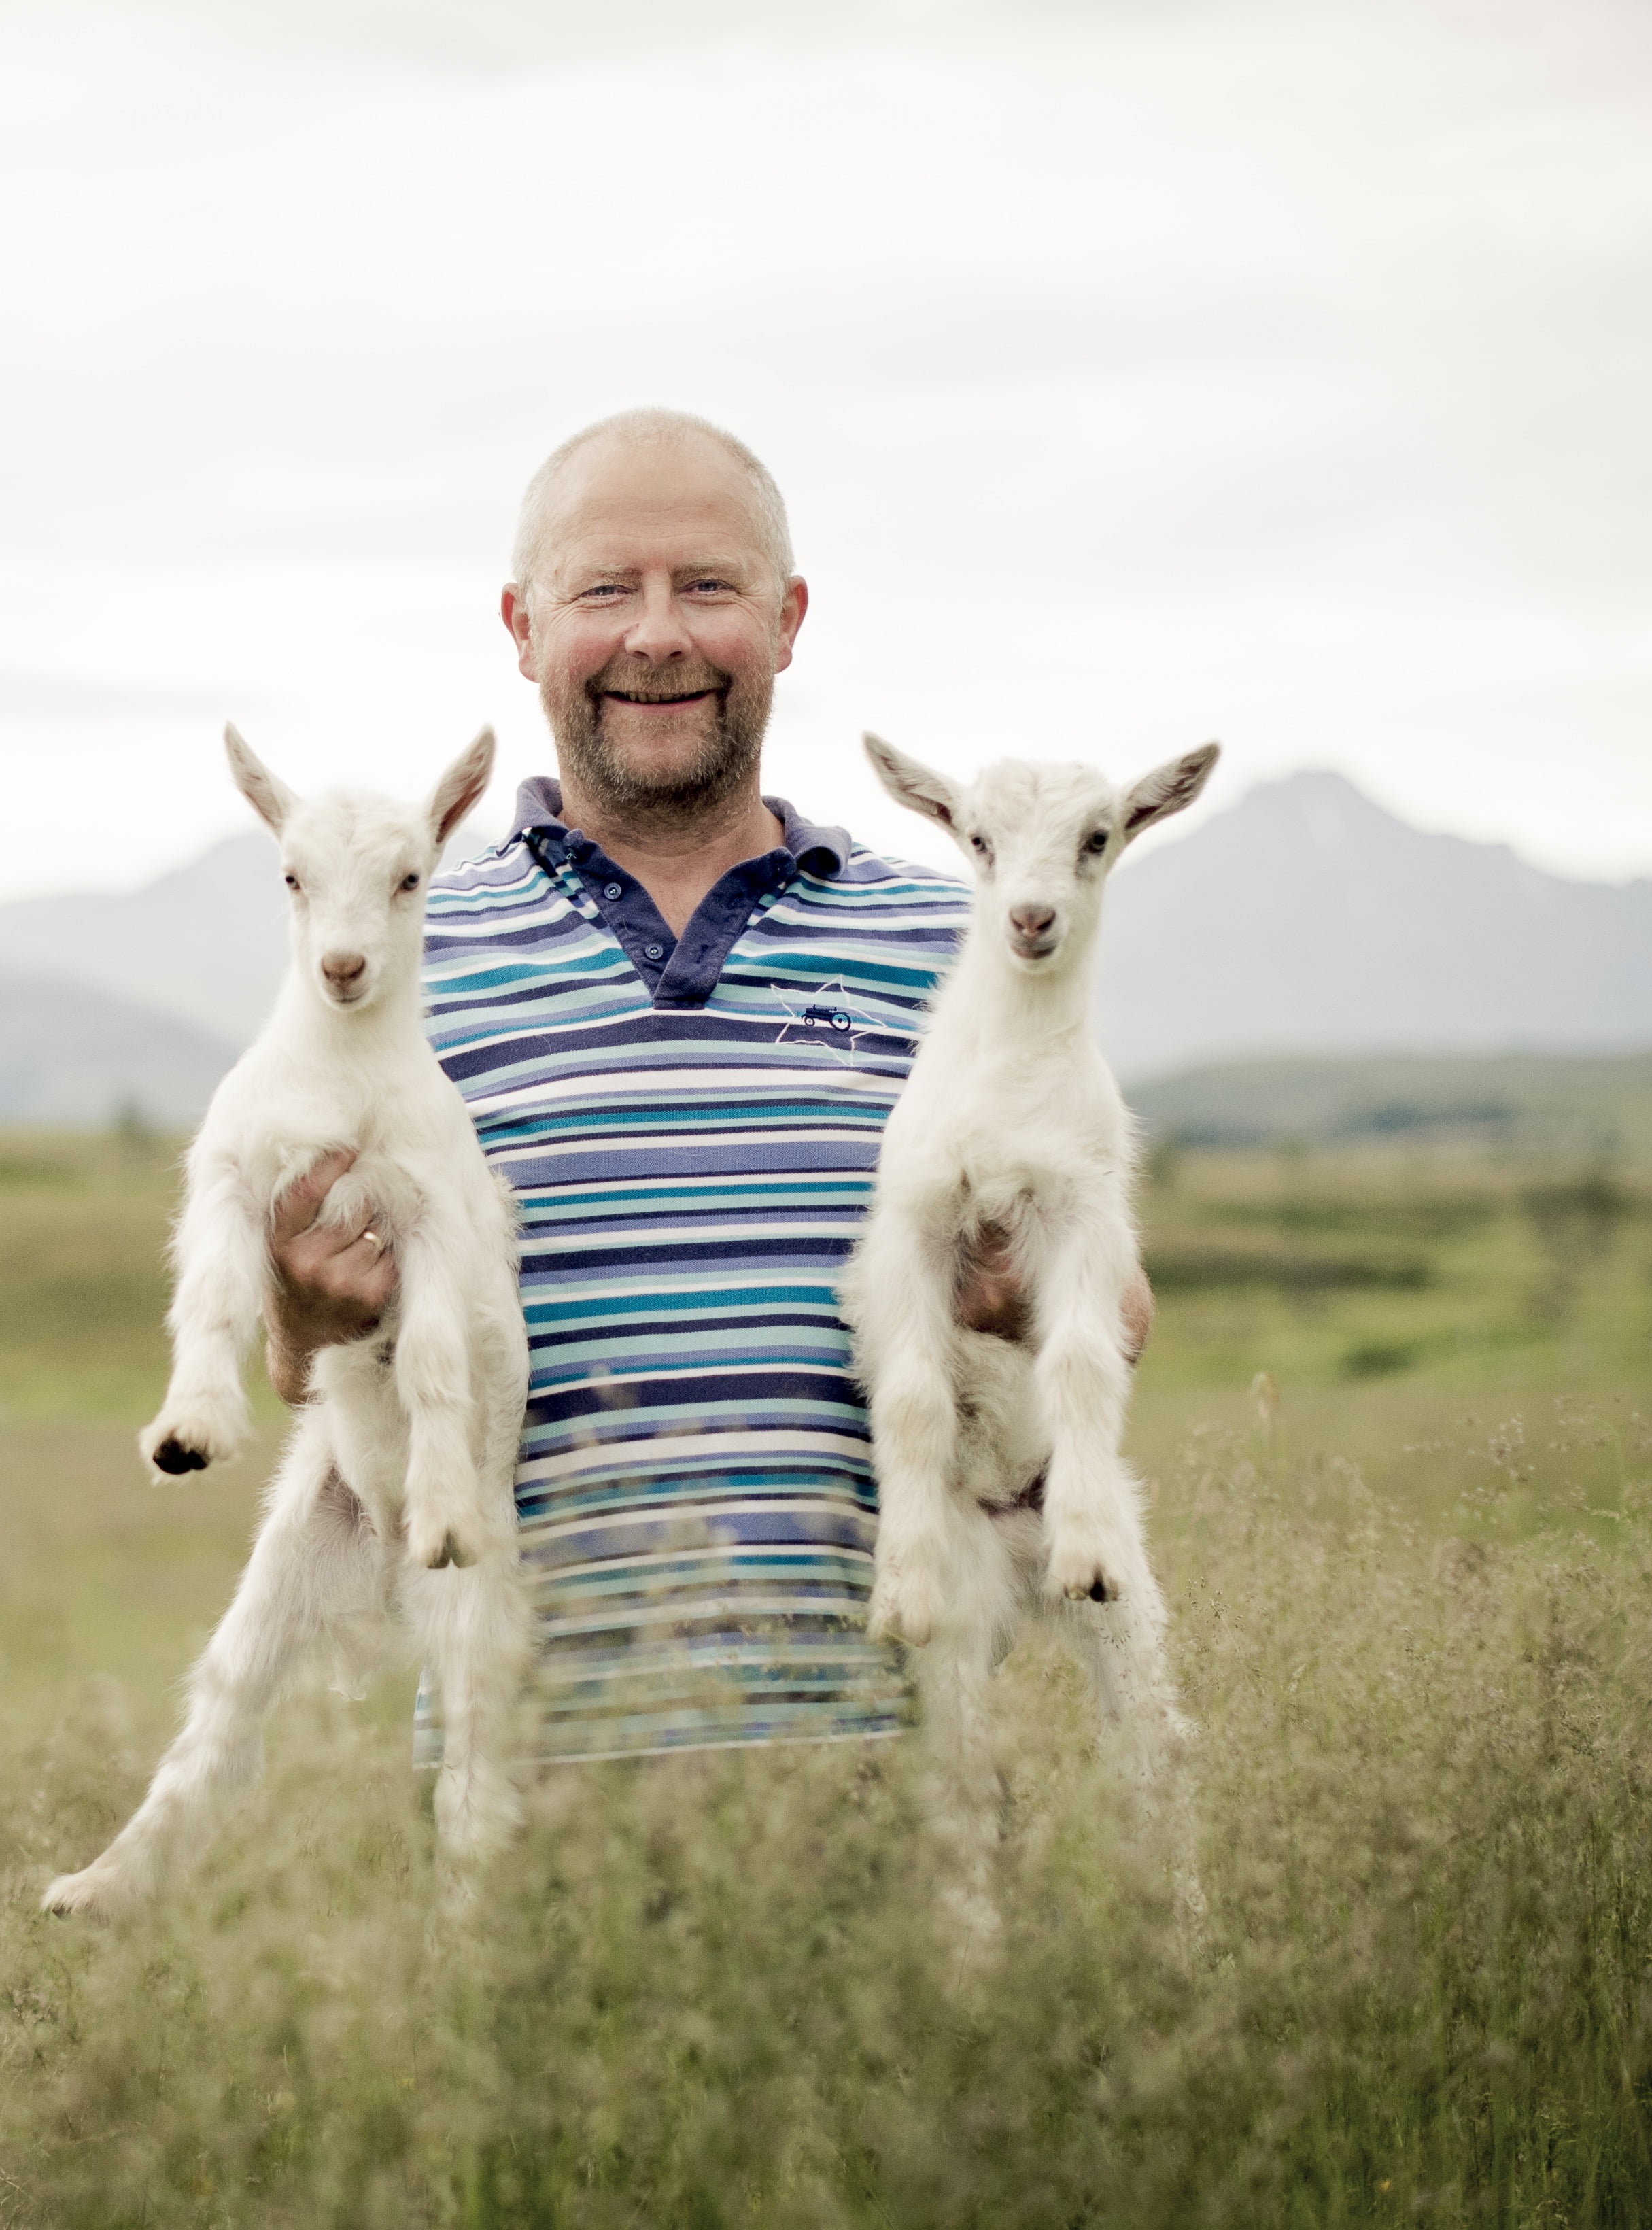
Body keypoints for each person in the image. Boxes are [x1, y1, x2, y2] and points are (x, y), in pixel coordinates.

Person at [265, 407, 1152, 1763]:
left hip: (894, 1785)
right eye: (604, 588)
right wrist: (297, 1311)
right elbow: (300, 1356)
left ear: (789, 618)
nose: (657, 634)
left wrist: (1034, 1299)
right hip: (526, 1798)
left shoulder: (960, 945)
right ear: (520, 625)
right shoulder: (391, 956)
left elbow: (1113, 1309)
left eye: (709, 586)